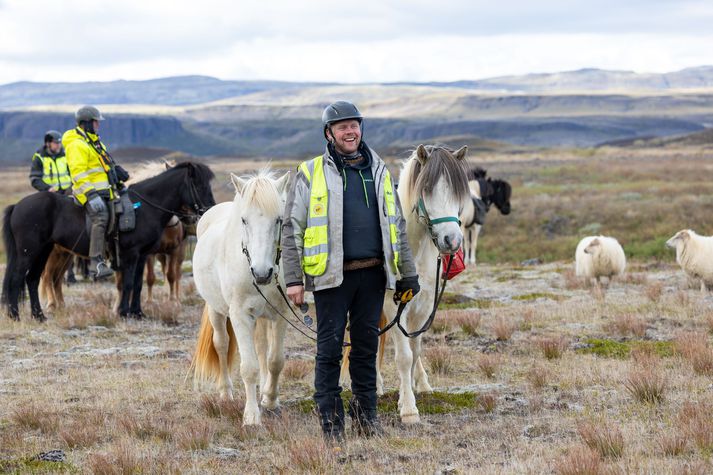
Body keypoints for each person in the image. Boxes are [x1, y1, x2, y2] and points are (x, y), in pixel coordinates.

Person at [281, 101, 420, 443]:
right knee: (328, 351)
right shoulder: (310, 172)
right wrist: (294, 279)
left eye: (354, 125)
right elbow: (291, 227)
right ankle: (331, 424)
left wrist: (408, 274)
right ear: (328, 133)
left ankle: (366, 417)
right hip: (331, 279)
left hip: (373, 276)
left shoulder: (380, 171)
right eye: (341, 126)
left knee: (365, 349)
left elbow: (397, 226)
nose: (349, 131)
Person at [62, 105, 130, 280]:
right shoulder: (77, 144)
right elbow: (78, 173)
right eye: (95, 122)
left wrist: (116, 173)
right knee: (101, 217)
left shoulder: (95, 142)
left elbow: (102, 166)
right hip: (87, 192)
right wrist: (91, 195)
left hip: (106, 190)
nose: (98, 125)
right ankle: (96, 263)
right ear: (86, 123)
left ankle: (116, 256)